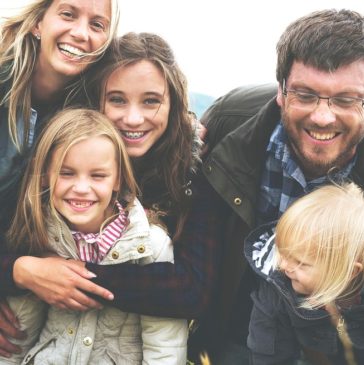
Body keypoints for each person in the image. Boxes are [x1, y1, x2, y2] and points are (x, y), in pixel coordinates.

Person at [0, 32, 223, 361]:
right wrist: (21, 273)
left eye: (150, 101)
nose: (133, 118)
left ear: (173, 102)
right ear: (96, 100)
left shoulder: (192, 173)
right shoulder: (56, 166)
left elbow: (190, 289)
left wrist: (62, 276)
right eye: (117, 99)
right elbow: (18, 237)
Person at [191, 8, 364, 364]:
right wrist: (177, 132)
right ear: (281, 93)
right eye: (305, 94)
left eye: (345, 100)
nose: (322, 116)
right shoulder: (232, 119)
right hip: (240, 331)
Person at [6, 108, 188, 364]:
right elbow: (19, 336)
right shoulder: (40, 234)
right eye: (66, 173)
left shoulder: (151, 245)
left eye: (98, 176)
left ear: (118, 180)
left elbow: (165, 348)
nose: (81, 188)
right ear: (45, 175)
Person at [0, 0, 121, 357]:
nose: (81, 33)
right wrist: (20, 272)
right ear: (38, 22)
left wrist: (186, 132)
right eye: (68, 14)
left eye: (97, 24)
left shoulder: (87, 112)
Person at [244, 182, 364, 364]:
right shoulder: (276, 292)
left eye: (300, 263)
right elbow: (267, 354)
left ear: (349, 272)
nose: (284, 266)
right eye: (282, 252)